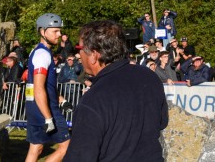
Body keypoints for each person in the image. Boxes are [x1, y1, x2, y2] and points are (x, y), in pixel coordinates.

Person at [64, 20, 168, 161]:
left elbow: (80, 156)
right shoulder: (149, 77)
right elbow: (162, 122)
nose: (79, 54)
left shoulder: (94, 99)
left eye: (79, 48)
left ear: (94, 55)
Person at [25, 13, 70, 162]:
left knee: (36, 148)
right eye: (55, 31)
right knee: (66, 147)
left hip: (34, 107)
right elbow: (38, 88)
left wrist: (61, 99)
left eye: (59, 31)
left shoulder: (37, 52)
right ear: (43, 32)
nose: (59, 34)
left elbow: (45, 85)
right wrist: (48, 118)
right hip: (46, 110)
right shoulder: (42, 55)